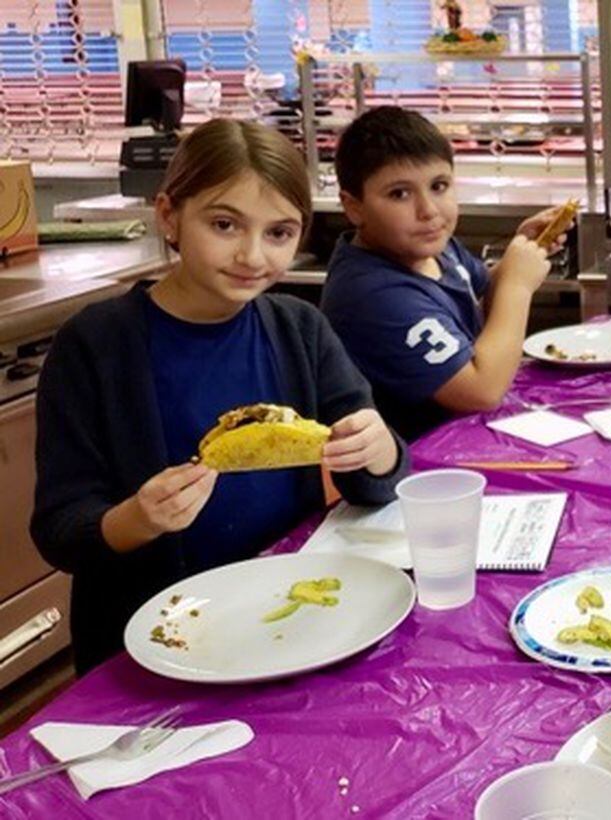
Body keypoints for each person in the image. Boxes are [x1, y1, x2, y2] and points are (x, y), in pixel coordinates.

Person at [32, 119, 408, 673]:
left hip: (288, 616)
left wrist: (379, 451)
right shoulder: (96, 345)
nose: (252, 255)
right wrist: (138, 518)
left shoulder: (300, 330)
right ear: (169, 216)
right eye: (225, 224)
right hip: (154, 641)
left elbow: (375, 480)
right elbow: (60, 529)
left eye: (278, 233)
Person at [320, 106, 572, 439]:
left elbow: (484, 295)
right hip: (420, 458)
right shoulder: (372, 295)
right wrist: (518, 287)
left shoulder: (434, 249)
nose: (428, 211)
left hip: (470, 438)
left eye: (439, 186)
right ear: (354, 207)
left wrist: (521, 253)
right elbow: (481, 391)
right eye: (399, 194)